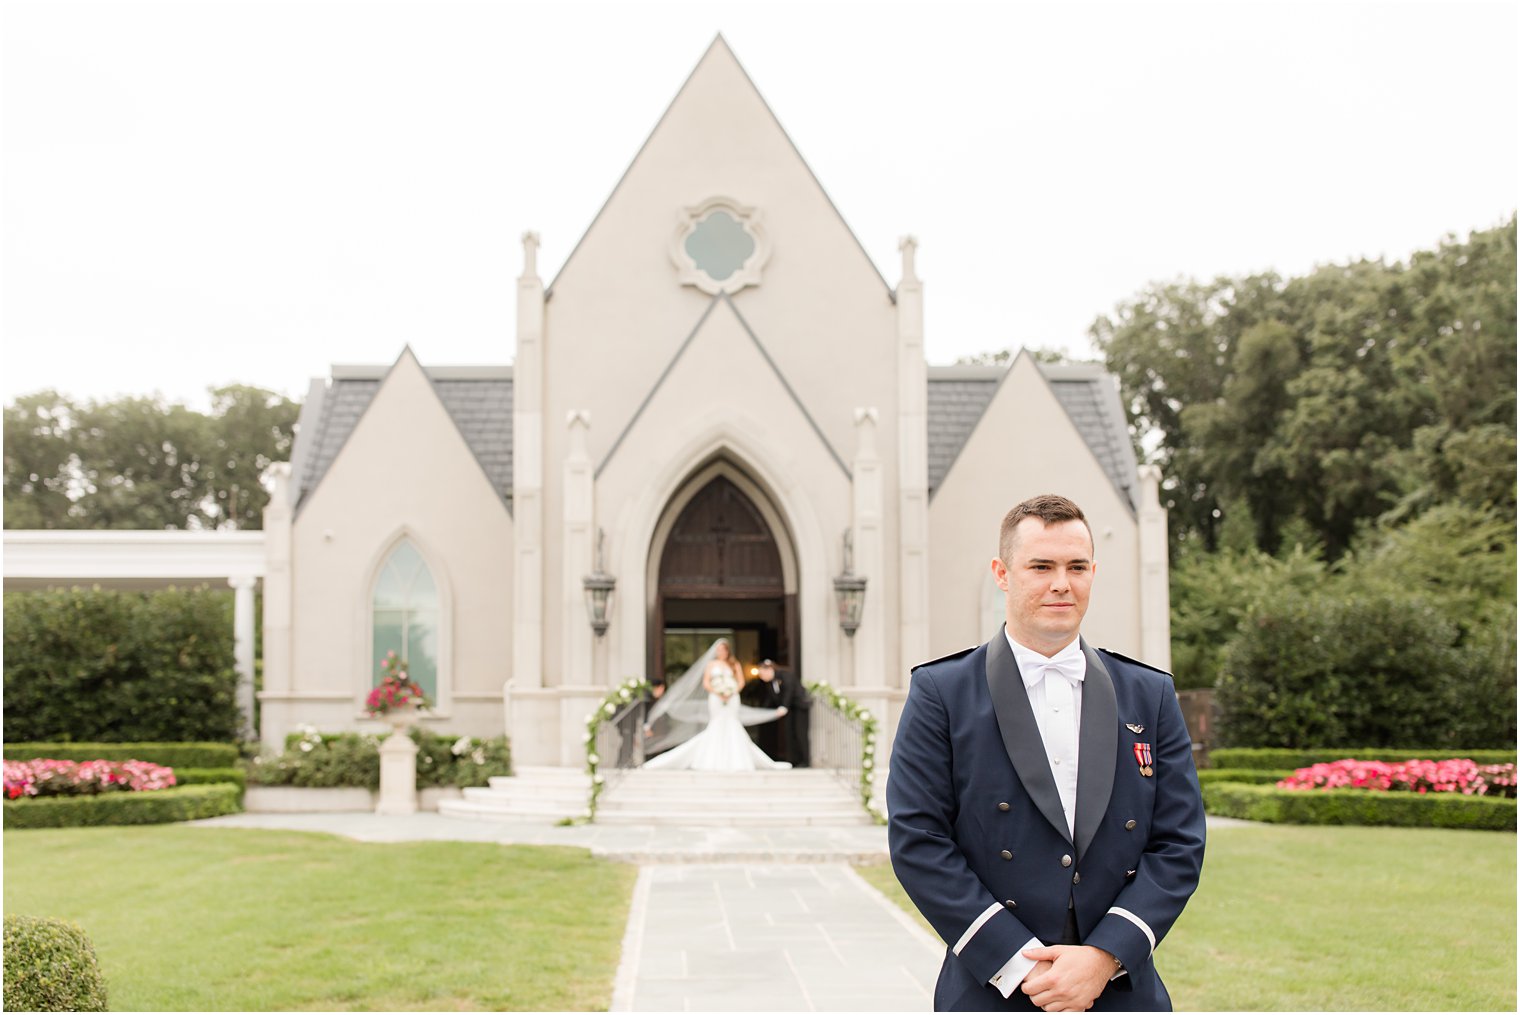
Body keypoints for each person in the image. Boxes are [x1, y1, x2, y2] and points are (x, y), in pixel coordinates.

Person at [887, 494, 1205, 1012]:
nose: (1062, 583)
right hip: (991, 987)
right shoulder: (940, 693)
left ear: (1092, 573)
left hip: (1120, 989)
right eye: (1041, 566)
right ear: (1002, 573)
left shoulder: (1150, 693)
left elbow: (1180, 842)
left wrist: (1104, 956)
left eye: (1076, 567)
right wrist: (1018, 963)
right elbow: (919, 842)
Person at [642, 638, 790, 771]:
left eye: (723, 649)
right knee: (717, 724)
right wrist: (719, 692)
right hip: (716, 698)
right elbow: (706, 683)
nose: (721, 652)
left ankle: (737, 760)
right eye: (718, 650)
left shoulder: (734, 664)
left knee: (733, 724)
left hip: (732, 698)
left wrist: (731, 692)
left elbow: (741, 681)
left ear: (727, 651)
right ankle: (711, 759)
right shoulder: (711, 665)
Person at [756, 659, 811, 767]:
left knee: (800, 733)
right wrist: (761, 711)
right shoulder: (770, 683)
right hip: (789, 710)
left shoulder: (785, 675)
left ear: (769, 670)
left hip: (799, 708)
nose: (762, 677)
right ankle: (793, 760)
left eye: (762, 674)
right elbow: (770, 699)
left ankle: (805, 760)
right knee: (789, 734)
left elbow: (789, 691)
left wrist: (784, 706)